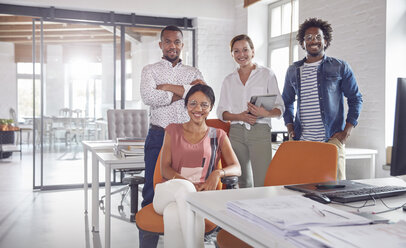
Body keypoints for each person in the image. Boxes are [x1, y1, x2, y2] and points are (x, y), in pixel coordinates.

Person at [154, 84, 241, 248]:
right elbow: (164, 169)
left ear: (211, 107)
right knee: (185, 192)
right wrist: (188, 184)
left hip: (198, 198)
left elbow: (237, 168)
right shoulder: (173, 130)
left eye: (204, 104)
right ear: (186, 105)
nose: (198, 108)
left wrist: (217, 173)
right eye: (193, 103)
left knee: (173, 214)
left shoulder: (218, 135)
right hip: (167, 192)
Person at [282, 18, 363, 180]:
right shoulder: (293, 70)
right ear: (303, 43)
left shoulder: (340, 66)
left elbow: (355, 98)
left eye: (318, 37)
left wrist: (347, 130)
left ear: (325, 41)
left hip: (331, 139)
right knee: (302, 190)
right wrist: (290, 127)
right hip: (302, 141)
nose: (314, 41)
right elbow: (287, 101)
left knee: (336, 191)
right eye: (309, 37)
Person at [140, 25, 205, 209]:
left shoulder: (193, 72)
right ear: (161, 44)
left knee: (188, 188)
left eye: (176, 42)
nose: (172, 46)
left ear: (182, 45)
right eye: (167, 42)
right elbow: (149, 97)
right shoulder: (150, 70)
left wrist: (167, 87)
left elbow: (201, 98)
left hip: (188, 138)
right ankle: (150, 233)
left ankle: (183, 234)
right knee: (152, 190)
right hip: (159, 136)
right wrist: (187, 91)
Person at [217, 34, 284, 188]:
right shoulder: (228, 80)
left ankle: (263, 211)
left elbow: (280, 108)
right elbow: (221, 112)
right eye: (236, 51)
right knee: (241, 181)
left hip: (260, 131)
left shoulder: (267, 74)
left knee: (263, 180)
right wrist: (239, 116)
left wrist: (264, 113)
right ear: (232, 54)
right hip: (236, 133)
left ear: (253, 51)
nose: (241, 55)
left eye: (245, 50)